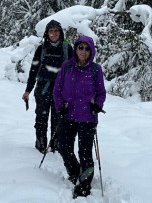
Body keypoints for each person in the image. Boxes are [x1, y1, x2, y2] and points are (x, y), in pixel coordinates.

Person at [53, 35, 106, 198]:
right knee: (64, 147)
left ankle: (84, 184)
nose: (83, 51)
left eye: (87, 48)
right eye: (80, 47)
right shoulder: (67, 67)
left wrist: (97, 105)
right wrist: (60, 106)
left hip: (87, 118)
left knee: (85, 153)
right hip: (68, 115)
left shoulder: (96, 70)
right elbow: (57, 89)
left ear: (92, 51)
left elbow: (101, 92)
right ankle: (75, 172)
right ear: (75, 49)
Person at [22, 20, 73, 153]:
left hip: (61, 91)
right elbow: (34, 70)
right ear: (47, 33)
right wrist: (28, 90)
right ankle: (41, 146)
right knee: (41, 118)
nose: (53, 33)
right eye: (51, 31)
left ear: (60, 32)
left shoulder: (67, 49)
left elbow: (74, 72)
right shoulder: (42, 49)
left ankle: (55, 146)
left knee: (58, 121)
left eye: (56, 31)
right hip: (43, 90)